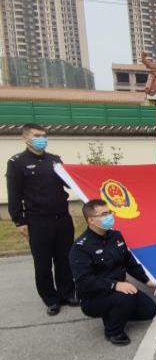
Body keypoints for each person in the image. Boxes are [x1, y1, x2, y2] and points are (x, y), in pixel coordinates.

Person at [5, 123, 78, 316]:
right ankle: (51, 299)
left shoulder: (54, 160)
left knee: (64, 259)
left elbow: (70, 182)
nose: (42, 139)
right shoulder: (17, 162)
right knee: (43, 263)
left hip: (62, 218)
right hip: (38, 221)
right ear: (25, 138)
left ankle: (67, 293)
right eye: (37, 135)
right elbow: (14, 194)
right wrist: (19, 220)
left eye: (44, 135)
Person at [70, 199, 156, 346]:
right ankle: (113, 331)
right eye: (104, 214)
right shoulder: (80, 248)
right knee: (126, 299)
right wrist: (115, 285)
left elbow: (129, 261)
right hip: (94, 297)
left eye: (109, 212)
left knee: (150, 310)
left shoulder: (115, 236)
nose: (110, 216)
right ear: (91, 220)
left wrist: (146, 280)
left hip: (119, 288)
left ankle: (114, 313)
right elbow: (85, 281)